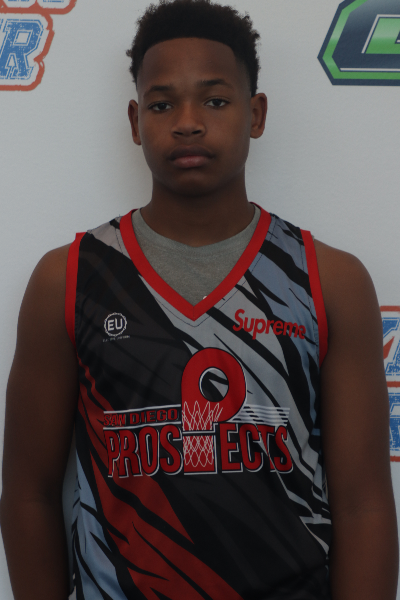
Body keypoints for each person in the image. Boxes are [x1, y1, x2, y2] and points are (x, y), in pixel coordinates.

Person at [1, 0, 398, 598]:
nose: (187, 123)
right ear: (135, 121)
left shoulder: (330, 280)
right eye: (162, 105)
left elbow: (364, 504)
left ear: (255, 114)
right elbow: (28, 492)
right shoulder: (70, 277)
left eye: (215, 101)